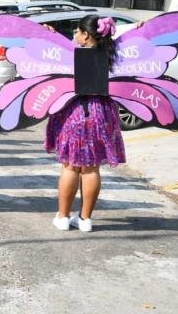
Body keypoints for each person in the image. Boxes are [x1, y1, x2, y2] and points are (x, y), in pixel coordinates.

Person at [48, 15, 125, 233]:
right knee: (91, 168)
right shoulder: (113, 56)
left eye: (76, 31)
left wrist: (50, 35)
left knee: (70, 165)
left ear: (85, 35)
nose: (74, 35)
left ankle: (63, 217)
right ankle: (85, 220)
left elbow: (50, 56)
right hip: (102, 113)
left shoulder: (71, 56)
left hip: (74, 112)